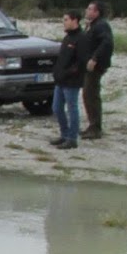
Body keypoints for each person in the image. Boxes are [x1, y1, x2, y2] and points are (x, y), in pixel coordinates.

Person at [50, 9, 87, 149]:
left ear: (75, 20)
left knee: (72, 109)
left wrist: (68, 73)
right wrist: (57, 72)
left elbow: (81, 62)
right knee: (56, 108)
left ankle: (72, 138)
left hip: (72, 81)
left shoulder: (81, 38)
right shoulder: (67, 38)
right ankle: (64, 134)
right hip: (60, 80)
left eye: (66, 20)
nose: (64, 22)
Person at [81, 0, 114, 138]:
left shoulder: (101, 25)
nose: (87, 11)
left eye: (90, 9)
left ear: (97, 12)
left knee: (91, 95)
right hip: (88, 65)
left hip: (95, 66)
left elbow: (107, 43)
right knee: (88, 95)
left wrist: (94, 58)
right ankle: (92, 125)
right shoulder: (92, 25)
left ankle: (95, 128)